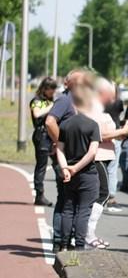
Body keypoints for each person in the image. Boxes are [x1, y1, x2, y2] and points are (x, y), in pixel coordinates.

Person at [83, 78, 128, 248]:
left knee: (97, 194)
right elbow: (99, 135)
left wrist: (121, 133)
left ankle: (85, 233)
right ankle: (87, 234)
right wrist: (122, 131)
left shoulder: (102, 110)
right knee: (103, 193)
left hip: (104, 155)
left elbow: (108, 133)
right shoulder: (94, 110)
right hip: (97, 156)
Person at [55, 74, 100, 251]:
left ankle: (64, 244)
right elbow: (92, 152)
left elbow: (59, 149)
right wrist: (76, 168)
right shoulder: (92, 125)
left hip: (69, 174)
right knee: (83, 211)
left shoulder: (66, 125)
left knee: (68, 208)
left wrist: (66, 168)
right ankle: (79, 246)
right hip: (87, 174)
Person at [46, 69, 85, 250]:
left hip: (73, 157)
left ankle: (64, 240)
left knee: (71, 200)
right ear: (68, 84)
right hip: (63, 157)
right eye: (76, 82)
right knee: (65, 199)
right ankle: (59, 241)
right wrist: (60, 142)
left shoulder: (79, 101)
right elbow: (50, 122)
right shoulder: (64, 100)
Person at [29, 77, 57, 206]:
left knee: (58, 163)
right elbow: (36, 114)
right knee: (42, 166)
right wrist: (51, 107)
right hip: (42, 135)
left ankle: (63, 192)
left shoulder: (49, 101)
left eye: (54, 89)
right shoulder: (37, 101)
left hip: (51, 135)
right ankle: (39, 195)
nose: (53, 92)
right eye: (51, 89)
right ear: (45, 88)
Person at [103, 83, 124, 208]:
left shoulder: (101, 103)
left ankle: (102, 193)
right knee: (113, 167)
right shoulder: (118, 102)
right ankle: (111, 194)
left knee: (102, 165)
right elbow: (119, 115)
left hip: (104, 134)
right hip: (116, 134)